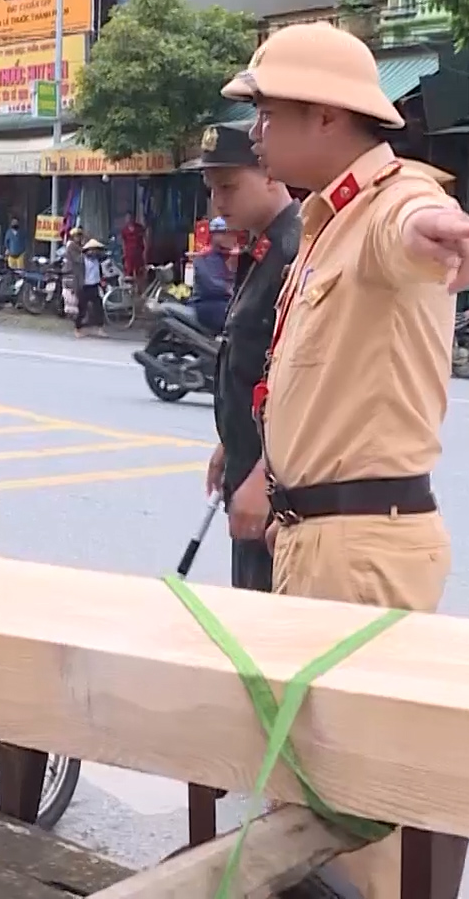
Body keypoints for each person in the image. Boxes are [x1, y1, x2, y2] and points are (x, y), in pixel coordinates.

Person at [222, 21, 469, 898]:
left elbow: (424, 229)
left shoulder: (389, 202)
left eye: (267, 113)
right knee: (315, 797)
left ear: (328, 117)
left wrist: (448, 236)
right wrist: (264, 467)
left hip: (361, 547)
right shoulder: (323, 219)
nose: (256, 134)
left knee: (356, 822)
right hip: (320, 539)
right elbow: (311, 380)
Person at [197, 121, 301, 593]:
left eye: (230, 187)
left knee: (267, 630)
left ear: (271, 175)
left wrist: (263, 472)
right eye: (212, 188)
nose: (219, 201)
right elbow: (255, 366)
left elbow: (300, 381)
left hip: (278, 486)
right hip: (252, 464)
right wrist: (231, 441)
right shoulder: (261, 249)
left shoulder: (294, 251)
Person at [190, 218, 235, 334]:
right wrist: (229, 289)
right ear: (213, 236)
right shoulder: (204, 256)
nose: (226, 237)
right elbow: (209, 284)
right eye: (222, 233)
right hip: (207, 303)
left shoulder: (229, 256)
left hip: (225, 302)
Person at [74, 236, 107, 338]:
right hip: (84, 287)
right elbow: (77, 274)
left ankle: (99, 329)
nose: (94, 252)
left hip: (94, 286)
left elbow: (104, 256)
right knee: (82, 309)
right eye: (92, 250)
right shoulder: (81, 260)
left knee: (99, 307)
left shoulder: (97, 260)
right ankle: (77, 328)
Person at [120, 212, 146, 291]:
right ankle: (130, 290)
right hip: (129, 254)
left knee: (139, 272)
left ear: (133, 218)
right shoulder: (124, 230)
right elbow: (123, 242)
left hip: (138, 254)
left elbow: (144, 240)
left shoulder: (139, 228)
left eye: (130, 218)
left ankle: (140, 289)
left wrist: (145, 251)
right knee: (129, 273)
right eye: (127, 218)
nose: (129, 220)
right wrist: (124, 253)